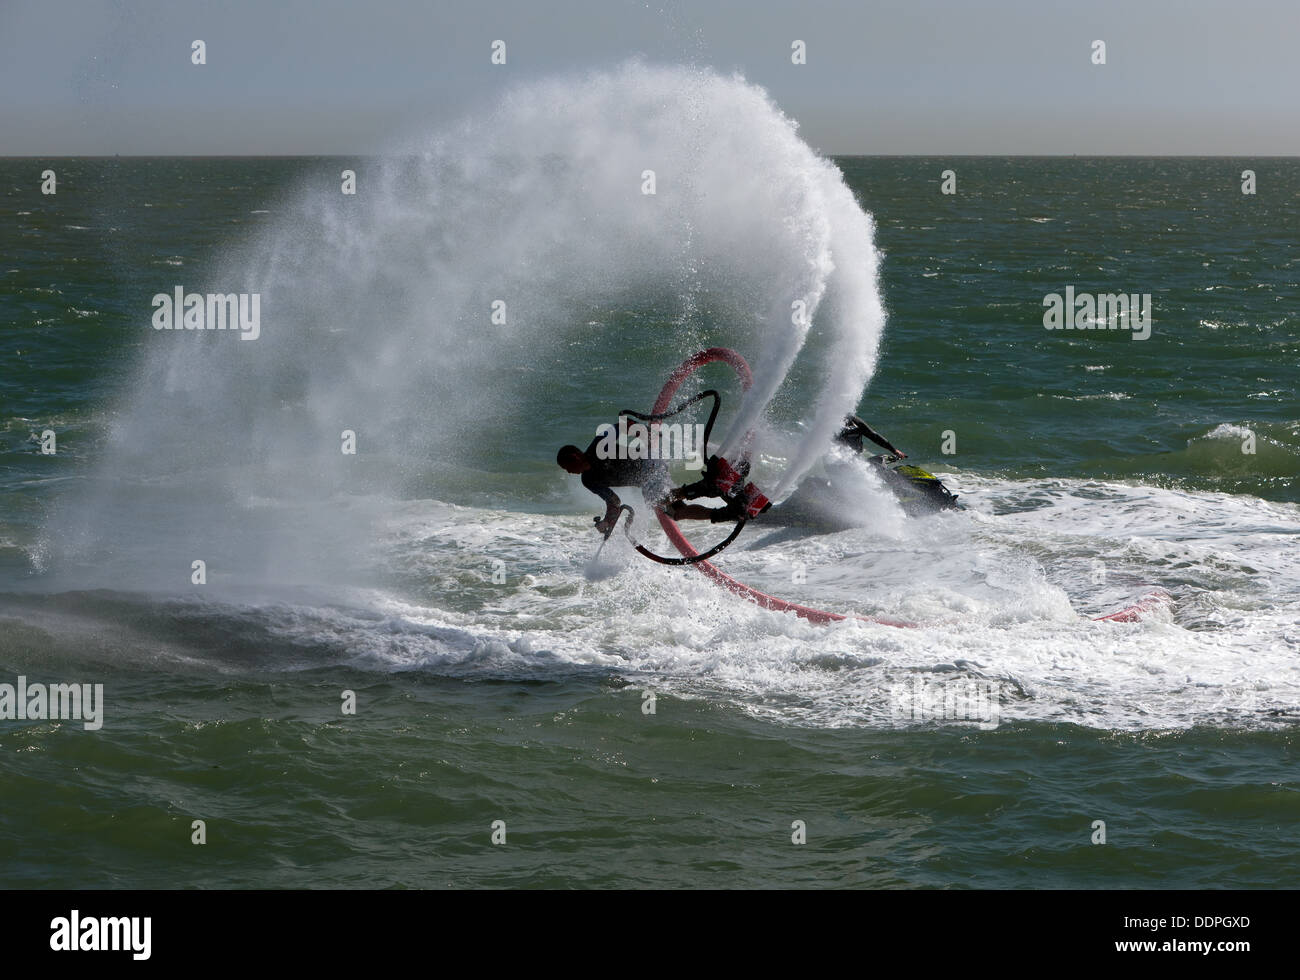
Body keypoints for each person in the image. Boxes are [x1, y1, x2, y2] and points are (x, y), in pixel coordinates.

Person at [556, 437, 741, 535]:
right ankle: (723, 513)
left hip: (649, 464)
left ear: (575, 458)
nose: (567, 472)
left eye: (567, 467)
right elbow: (614, 502)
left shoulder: (599, 446)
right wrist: (607, 522)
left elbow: (621, 425)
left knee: (658, 501)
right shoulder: (588, 480)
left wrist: (645, 432)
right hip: (647, 481)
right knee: (676, 512)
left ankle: (706, 486)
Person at [836, 414, 907, 458]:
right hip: (836, 457)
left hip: (854, 456)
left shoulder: (854, 420)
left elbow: (873, 436)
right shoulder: (829, 423)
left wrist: (894, 450)